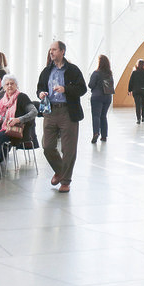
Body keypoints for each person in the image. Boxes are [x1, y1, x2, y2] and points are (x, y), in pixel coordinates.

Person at [37, 41, 87, 193]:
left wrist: (66, 89)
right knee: (47, 146)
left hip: (67, 112)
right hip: (50, 111)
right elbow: (39, 87)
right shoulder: (47, 71)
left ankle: (65, 181)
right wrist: (41, 93)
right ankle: (60, 171)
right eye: (50, 49)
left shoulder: (73, 70)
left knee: (68, 148)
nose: (51, 52)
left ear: (62, 51)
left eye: (54, 49)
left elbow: (82, 89)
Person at [0, 74, 38, 177]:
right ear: (4, 87)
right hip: (4, 127)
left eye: (12, 84)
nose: (9, 86)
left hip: (16, 130)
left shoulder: (22, 97)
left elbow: (34, 112)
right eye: (7, 84)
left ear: (16, 85)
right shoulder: (3, 97)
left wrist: (18, 119)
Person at [88, 55, 114, 143]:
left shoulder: (96, 73)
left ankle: (96, 133)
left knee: (96, 116)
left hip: (97, 97)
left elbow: (90, 84)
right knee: (103, 116)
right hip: (107, 97)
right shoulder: (109, 74)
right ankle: (104, 136)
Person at [127, 59, 144, 124]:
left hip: (136, 90)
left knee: (137, 104)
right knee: (143, 104)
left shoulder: (134, 72)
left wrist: (129, 90)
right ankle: (143, 117)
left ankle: (138, 119)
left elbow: (131, 82)